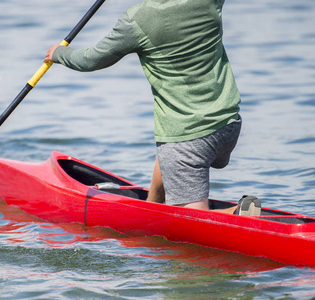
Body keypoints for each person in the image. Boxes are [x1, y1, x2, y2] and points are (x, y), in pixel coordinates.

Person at [44, 0, 261, 216]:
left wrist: (59, 54)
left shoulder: (137, 19)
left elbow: (90, 60)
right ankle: (152, 205)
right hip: (228, 124)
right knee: (167, 147)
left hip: (187, 140)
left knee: (191, 217)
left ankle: (237, 213)